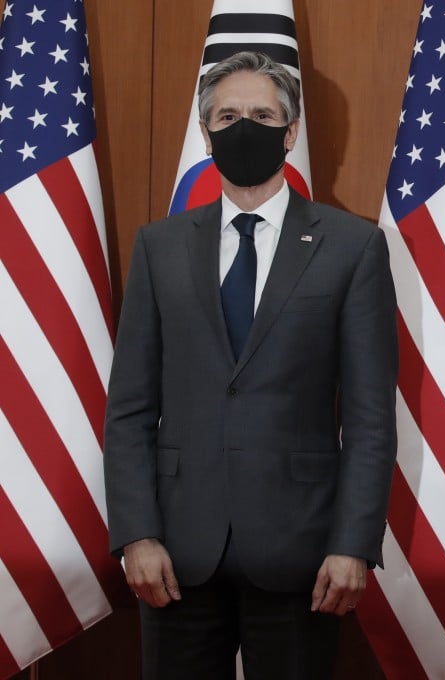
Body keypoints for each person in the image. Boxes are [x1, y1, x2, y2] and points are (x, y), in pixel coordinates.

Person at [103, 51, 398, 680]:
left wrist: (353, 544)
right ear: (207, 132)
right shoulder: (159, 247)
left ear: (289, 133)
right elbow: (129, 408)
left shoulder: (353, 247)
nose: (245, 127)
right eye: (228, 115)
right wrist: (137, 534)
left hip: (303, 555)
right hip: (176, 555)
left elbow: (371, 419)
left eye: (262, 115)